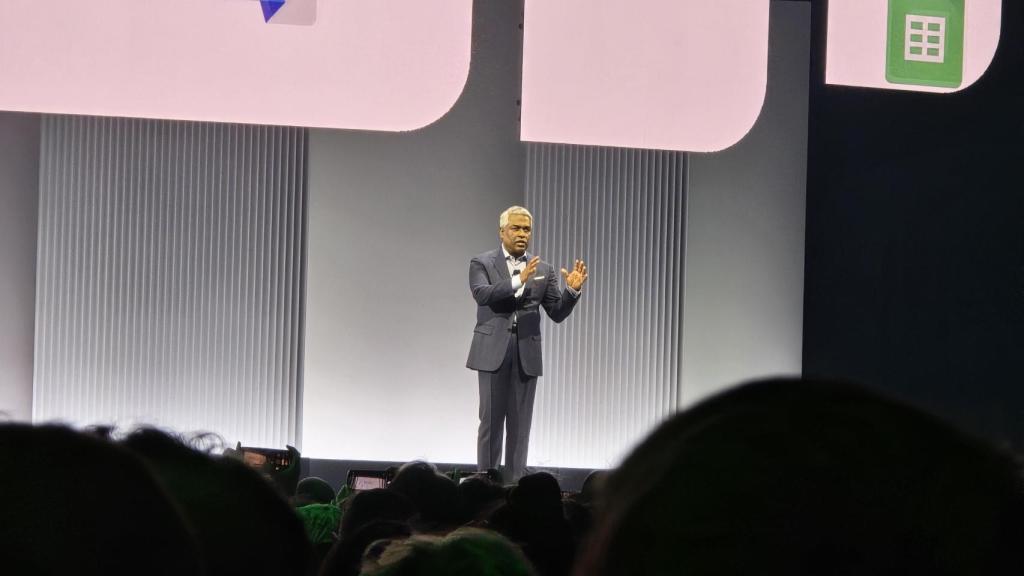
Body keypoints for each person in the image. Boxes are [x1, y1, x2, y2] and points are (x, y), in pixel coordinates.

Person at [467, 206, 588, 481]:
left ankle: (513, 484)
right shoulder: (482, 263)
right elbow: (482, 294)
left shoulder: (543, 269)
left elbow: (557, 312)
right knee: (491, 422)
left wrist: (572, 291)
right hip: (492, 351)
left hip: (526, 352)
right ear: (502, 231)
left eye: (527, 229)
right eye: (516, 228)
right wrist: (517, 280)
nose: (522, 234)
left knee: (521, 426)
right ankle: (486, 484)